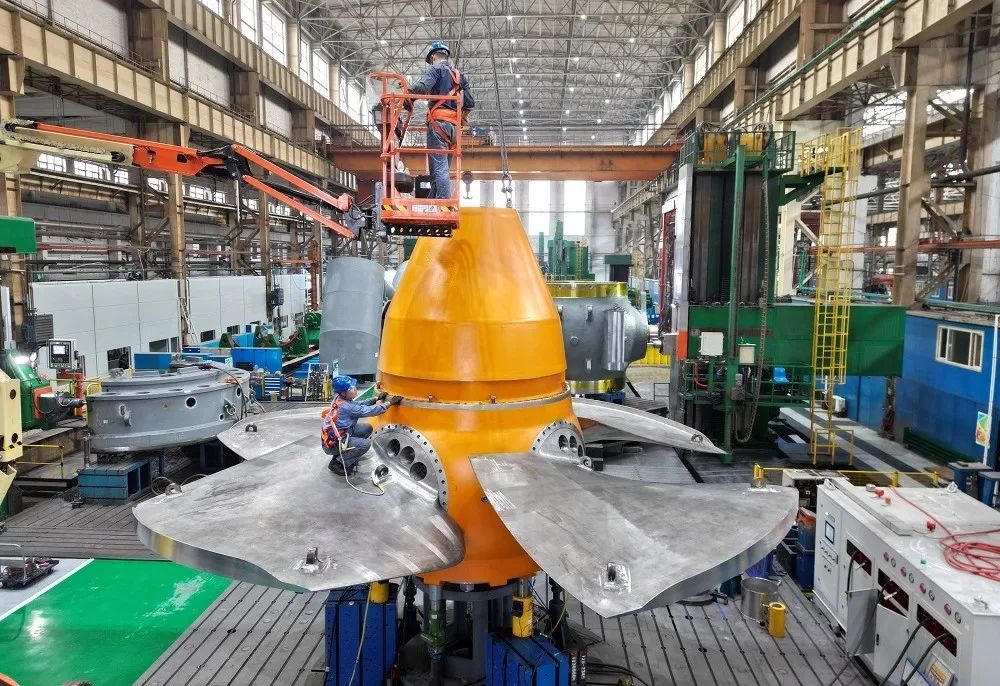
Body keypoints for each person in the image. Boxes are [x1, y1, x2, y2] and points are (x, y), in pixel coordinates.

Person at [408, 40, 475, 199]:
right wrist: (459, 118)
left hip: (439, 126)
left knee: (439, 169)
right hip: (454, 130)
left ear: (433, 57)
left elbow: (423, 87)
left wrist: (408, 90)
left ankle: (443, 203)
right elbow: (470, 104)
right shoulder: (459, 76)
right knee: (438, 170)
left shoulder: (435, 69)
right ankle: (434, 202)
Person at [322, 375, 401, 475]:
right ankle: (338, 463)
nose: (355, 389)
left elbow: (357, 405)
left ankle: (346, 451)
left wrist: (375, 399)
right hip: (333, 444)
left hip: (339, 434)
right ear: (343, 393)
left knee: (367, 428)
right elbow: (369, 411)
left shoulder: (340, 398)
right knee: (365, 444)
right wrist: (389, 403)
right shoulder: (346, 407)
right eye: (351, 388)